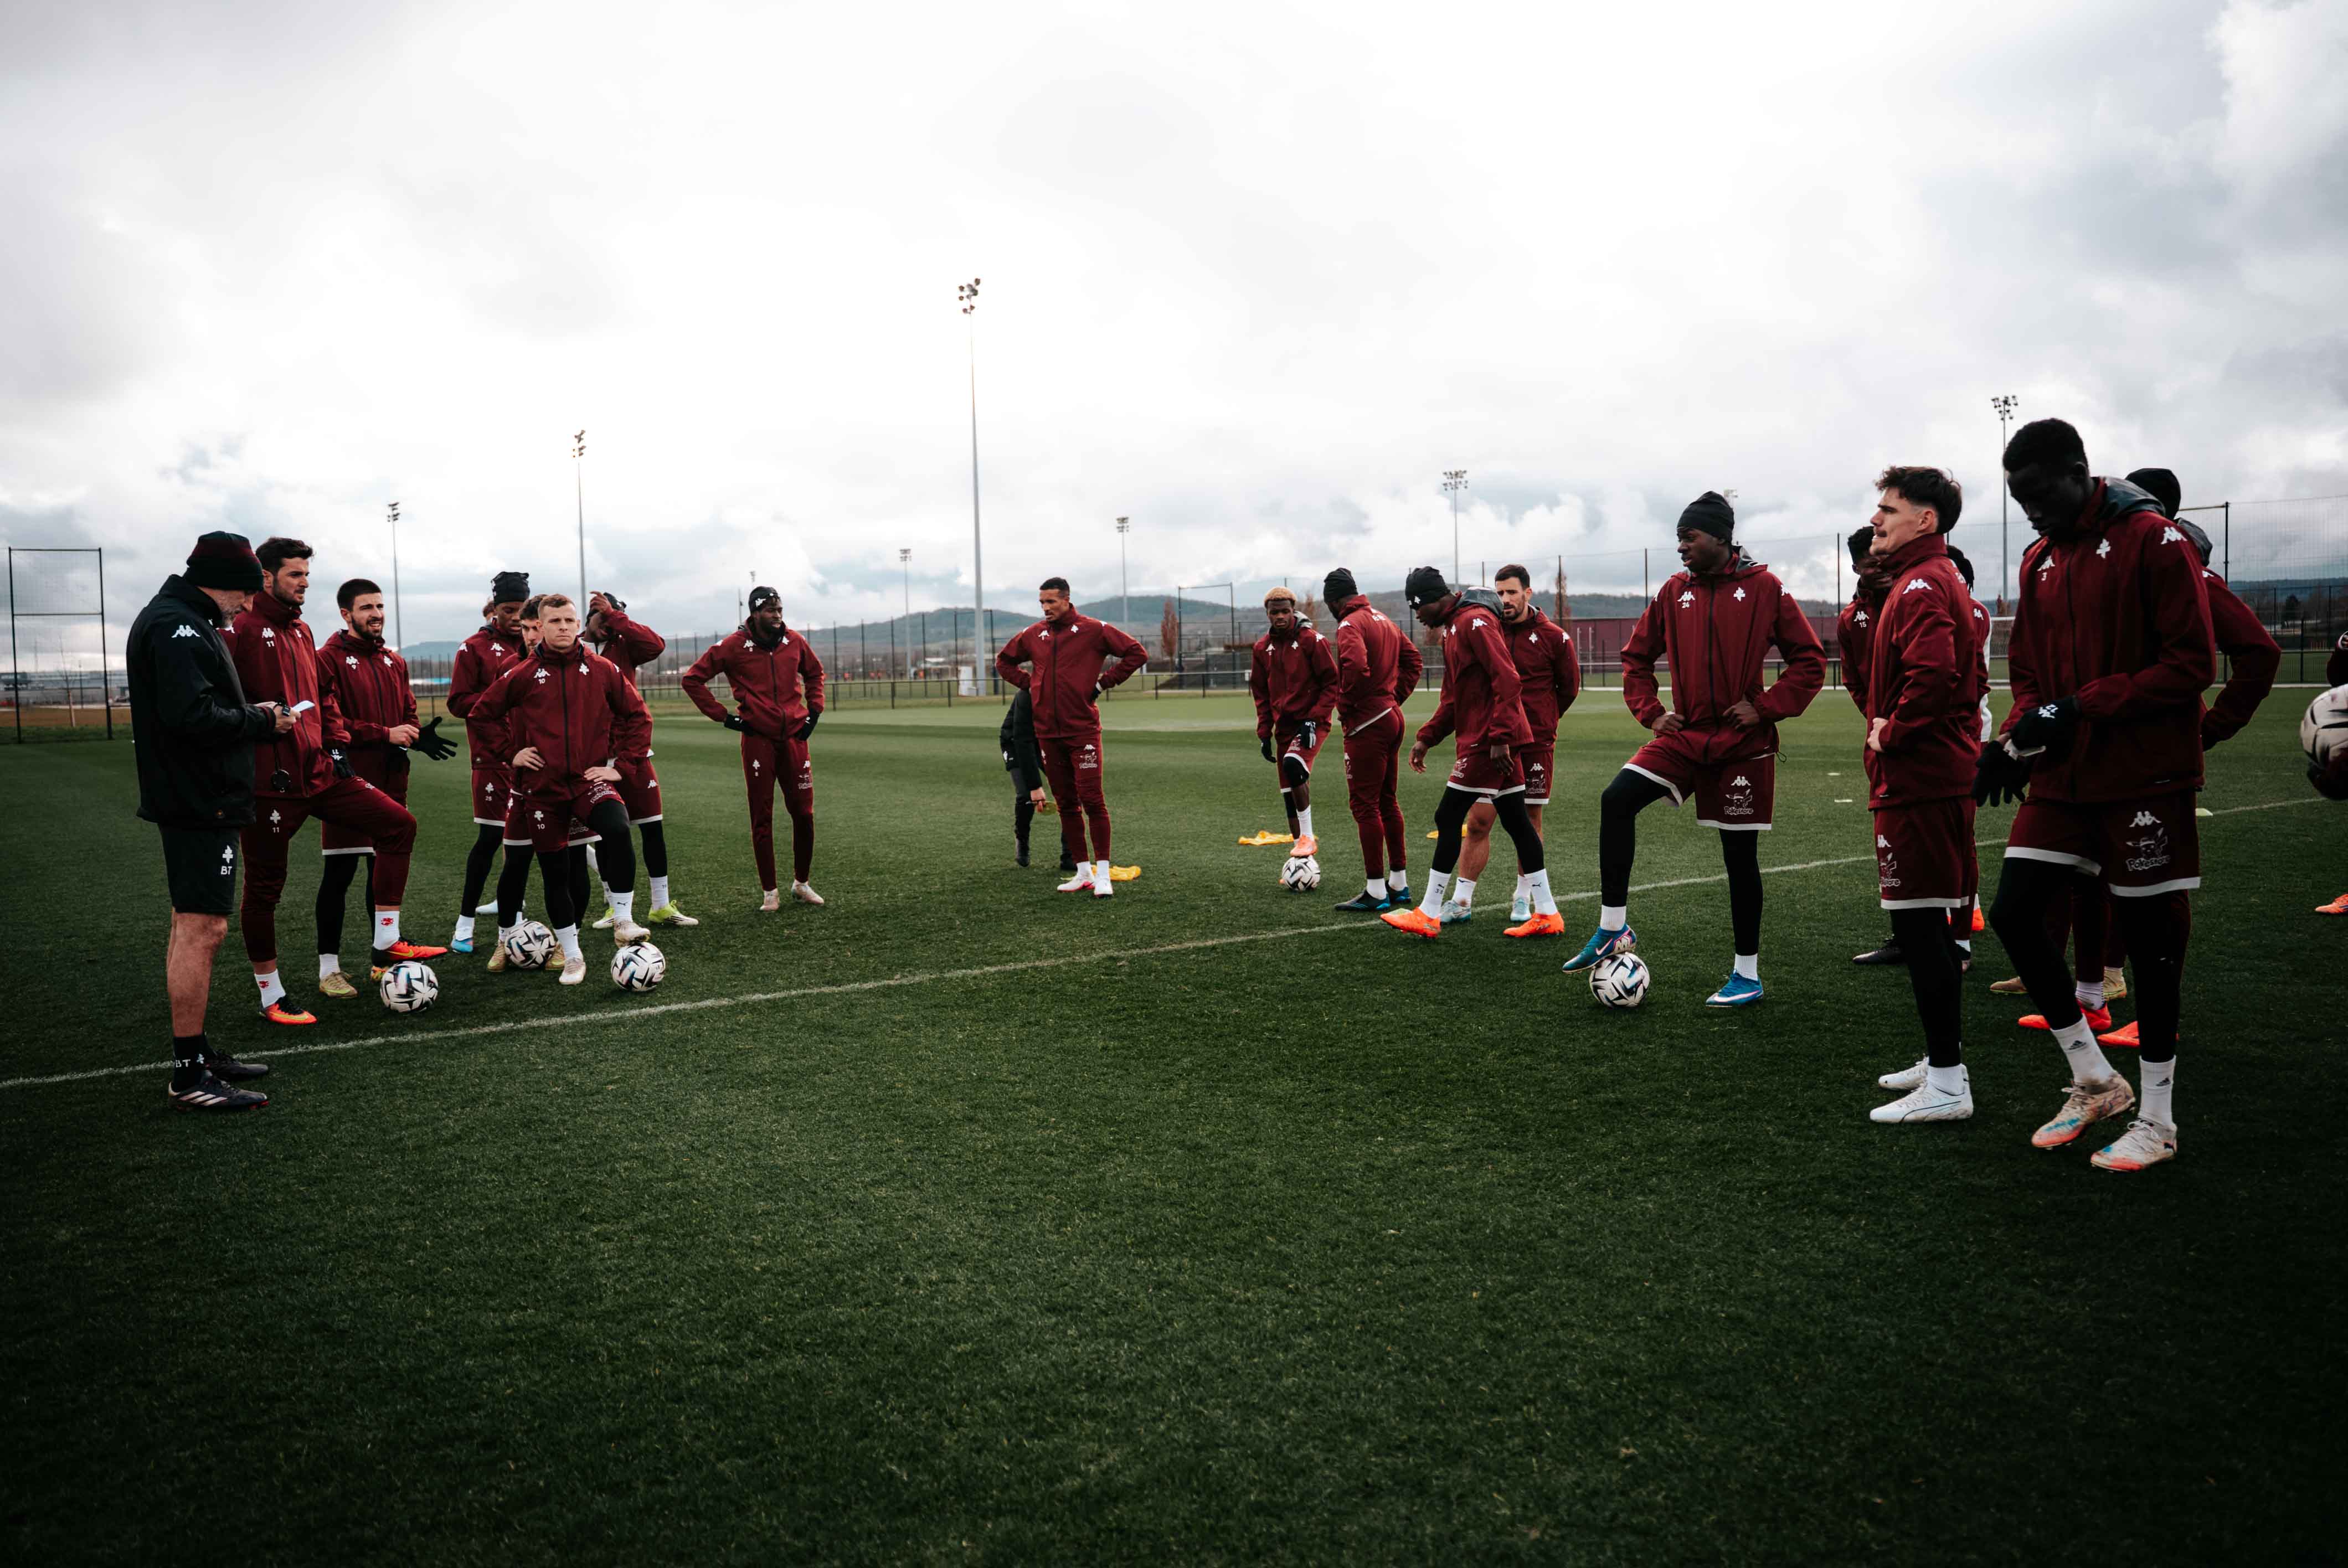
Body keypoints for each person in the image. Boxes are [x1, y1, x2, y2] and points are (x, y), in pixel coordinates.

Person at [1979, 419, 2211, 1172]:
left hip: (2143, 775)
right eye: (2019, 500)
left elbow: (2189, 666)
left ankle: (2160, 1120)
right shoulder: (2039, 559)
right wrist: (2012, 741)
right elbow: (2035, 678)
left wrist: (2078, 709)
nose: (2031, 512)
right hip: (2066, 777)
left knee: (2151, 947)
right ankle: (2092, 1077)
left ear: (2081, 472)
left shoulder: (2156, 541)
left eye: (2040, 495)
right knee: (2014, 911)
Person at [1562, 493, 1827, 1004]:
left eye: (1690, 538)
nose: (1681, 547)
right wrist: (1653, 713)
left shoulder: (1766, 588)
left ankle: (1746, 975)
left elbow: (1809, 661)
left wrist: (1765, 707)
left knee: (1739, 858)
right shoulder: (1673, 592)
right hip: (1684, 736)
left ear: (1721, 538)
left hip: (1741, 743)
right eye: (1679, 538)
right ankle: (1613, 927)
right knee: (1616, 799)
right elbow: (1635, 658)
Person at [229, 538, 442, 1025]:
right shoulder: (242, 627)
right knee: (265, 890)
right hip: (269, 783)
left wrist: (337, 741)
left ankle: (387, 943)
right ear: (266, 577)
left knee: (398, 826)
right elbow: (224, 702)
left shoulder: (302, 632)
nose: (304, 583)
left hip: (322, 772)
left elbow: (322, 700)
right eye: (295, 575)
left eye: (307, 574)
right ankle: (272, 995)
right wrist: (256, 719)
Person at [128, 532, 287, 1109]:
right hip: (199, 800)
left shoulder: (184, 619)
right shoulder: (178, 626)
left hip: (200, 796)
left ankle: (197, 1053)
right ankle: (189, 1076)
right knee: (204, 929)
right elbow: (191, 716)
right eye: (246, 593)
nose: (247, 606)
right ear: (222, 582)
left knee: (190, 924)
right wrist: (262, 720)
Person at [1853, 468, 1984, 1122]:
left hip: (1921, 779)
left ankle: (1948, 1084)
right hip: (1925, 778)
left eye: (1888, 510)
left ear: (1926, 520)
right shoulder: (1923, 579)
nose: (1875, 520)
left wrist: (1892, 732)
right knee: (1923, 925)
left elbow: (1935, 676)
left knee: (1919, 928)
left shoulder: (1923, 583)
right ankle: (1941, 1062)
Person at [469, 594, 655, 982]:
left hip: (588, 781)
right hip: (543, 790)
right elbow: (481, 714)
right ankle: (572, 955)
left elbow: (637, 715)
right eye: (555, 621)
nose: (564, 627)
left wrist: (621, 766)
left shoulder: (602, 669)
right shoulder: (522, 673)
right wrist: (511, 753)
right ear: (541, 625)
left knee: (618, 828)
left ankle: (623, 919)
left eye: (570, 620)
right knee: (555, 874)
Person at [1383, 568, 1563, 939]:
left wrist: (1500, 736)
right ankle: (1547, 913)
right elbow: (1454, 697)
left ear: (1434, 599)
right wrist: (1427, 737)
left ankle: (1429, 912)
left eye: (1417, 607)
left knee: (1448, 815)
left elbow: (1508, 678)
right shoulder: (1453, 629)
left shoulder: (1475, 621)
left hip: (1488, 742)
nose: (1417, 615)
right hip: (1488, 738)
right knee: (1517, 823)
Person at [313, 577, 456, 997]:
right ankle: (329, 970)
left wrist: (415, 733)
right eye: (366, 608)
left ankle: (382, 959)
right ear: (346, 614)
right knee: (339, 873)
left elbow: (407, 713)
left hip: (393, 780)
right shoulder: (328, 659)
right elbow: (329, 724)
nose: (376, 614)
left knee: (382, 874)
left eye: (379, 606)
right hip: (346, 782)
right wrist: (384, 733)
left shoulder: (395, 661)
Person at [992, 577, 1150, 898]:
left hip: (1083, 731)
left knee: (1092, 800)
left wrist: (1103, 684)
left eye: (1051, 602)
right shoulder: (1034, 634)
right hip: (1048, 734)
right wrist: (1031, 685)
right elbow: (1003, 661)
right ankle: (1082, 872)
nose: (1046, 608)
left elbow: (1137, 653)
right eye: (1042, 603)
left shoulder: (1094, 629)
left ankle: (1103, 874)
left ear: (1067, 600)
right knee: (1065, 803)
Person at [1446, 564, 1580, 926]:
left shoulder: (1554, 637)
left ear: (1528, 593)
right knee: (1477, 821)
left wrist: (1544, 721)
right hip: (1492, 744)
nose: (1505, 599)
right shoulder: (1489, 629)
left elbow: (1569, 689)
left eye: (1511, 592)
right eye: (1500, 592)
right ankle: (1461, 899)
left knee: (1529, 819)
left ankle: (1523, 899)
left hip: (1534, 743)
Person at [680, 586, 829, 910]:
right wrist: (725, 718)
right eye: (770, 610)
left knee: (804, 814)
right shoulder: (733, 646)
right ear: (755, 612)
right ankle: (770, 893)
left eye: (780, 610)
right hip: (758, 740)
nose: (777, 616)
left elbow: (815, 673)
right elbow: (692, 680)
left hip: (794, 739)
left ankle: (801, 884)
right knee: (762, 816)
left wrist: (814, 712)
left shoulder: (795, 642)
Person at [584, 590, 695, 928]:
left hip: (634, 751)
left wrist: (617, 617)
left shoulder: (625, 643)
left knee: (652, 828)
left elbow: (656, 645)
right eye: (601, 618)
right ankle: (611, 905)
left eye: (613, 618)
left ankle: (661, 905)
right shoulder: (574, 649)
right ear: (588, 618)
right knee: (605, 834)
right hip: (596, 755)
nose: (607, 626)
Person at [1324, 568, 1422, 912]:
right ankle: (1399, 884)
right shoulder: (1384, 619)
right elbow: (1414, 660)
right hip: (1391, 717)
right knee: (1387, 801)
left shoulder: (1350, 624)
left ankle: (1376, 891)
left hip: (1368, 722)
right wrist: (1393, 697)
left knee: (1364, 805)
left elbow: (1354, 665)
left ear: (1335, 601)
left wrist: (1348, 706)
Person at [446, 572, 532, 952]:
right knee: (490, 838)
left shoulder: (536, 645)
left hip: (533, 757)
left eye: (522, 610)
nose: (515, 617)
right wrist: (498, 697)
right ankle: (464, 925)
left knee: (533, 840)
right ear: (494, 609)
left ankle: (512, 914)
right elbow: (458, 701)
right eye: (508, 610)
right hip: (492, 758)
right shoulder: (473, 648)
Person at [1842, 527, 1906, 967]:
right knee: (1892, 838)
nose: (1879, 571)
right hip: (1880, 741)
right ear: (1856, 569)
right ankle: (1905, 937)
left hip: (1926, 735)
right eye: (1870, 564)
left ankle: (1957, 940)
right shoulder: (1852, 619)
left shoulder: (1917, 596)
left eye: (1883, 560)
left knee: (1947, 839)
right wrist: (1876, 718)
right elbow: (1854, 679)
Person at [1246, 587, 1340, 870]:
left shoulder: (1312, 641)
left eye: (1285, 611)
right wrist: (1264, 732)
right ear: (1268, 614)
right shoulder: (1262, 649)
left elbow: (1331, 683)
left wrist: (1315, 718)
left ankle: (1308, 837)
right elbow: (1261, 694)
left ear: (1294, 610)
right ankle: (1304, 862)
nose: (1280, 617)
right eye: (1275, 612)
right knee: (1289, 795)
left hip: (1312, 722)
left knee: (1294, 765)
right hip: (1284, 728)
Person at [999, 687, 1066, 869]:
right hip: (1016, 741)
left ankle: (1069, 854)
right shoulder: (1028, 693)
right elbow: (1023, 741)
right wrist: (1035, 786)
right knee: (1026, 794)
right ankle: (1022, 839)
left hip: (1046, 740)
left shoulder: (1068, 687)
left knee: (1071, 791)